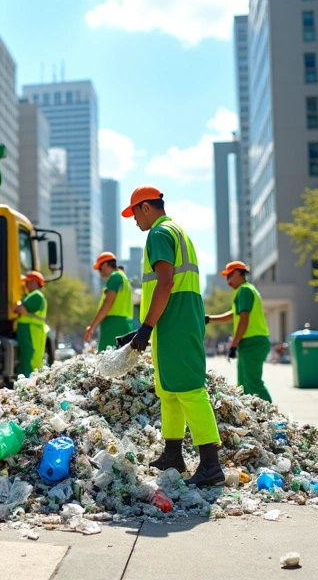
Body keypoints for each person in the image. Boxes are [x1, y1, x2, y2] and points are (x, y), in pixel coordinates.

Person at [116, 186, 224, 487]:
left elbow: (165, 284)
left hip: (173, 319)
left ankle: (211, 466)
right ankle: (173, 454)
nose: (134, 220)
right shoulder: (177, 232)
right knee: (169, 390)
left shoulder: (159, 234)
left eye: (135, 213)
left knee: (189, 389)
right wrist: (144, 327)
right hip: (173, 320)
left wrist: (147, 327)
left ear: (146, 208)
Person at [208, 261, 273, 402]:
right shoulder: (243, 291)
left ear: (239, 273)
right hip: (250, 342)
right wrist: (210, 319)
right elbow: (234, 315)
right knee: (244, 385)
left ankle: (274, 417)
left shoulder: (245, 290)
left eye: (230, 275)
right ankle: (258, 417)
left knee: (252, 383)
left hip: (253, 341)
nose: (228, 280)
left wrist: (233, 345)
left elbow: (244, 320)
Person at [84, 252, 136, 352]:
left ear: (105, 264)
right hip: (124, 324)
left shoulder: (114, 277)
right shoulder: (123, 277)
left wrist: (92, 327)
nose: (100, 272)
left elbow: (107, 304)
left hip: (113, 325)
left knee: (104, 359)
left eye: (100, 268)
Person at [14, 271, 48, 376]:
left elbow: (19, 309)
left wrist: (16, 304)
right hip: (32, 332)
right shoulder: (37, 296)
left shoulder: (36, 295)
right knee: (31, 360)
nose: (26, 285)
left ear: (33, 281)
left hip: (30, 332)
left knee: (28, 360)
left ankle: (27, 386)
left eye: (27, 282)